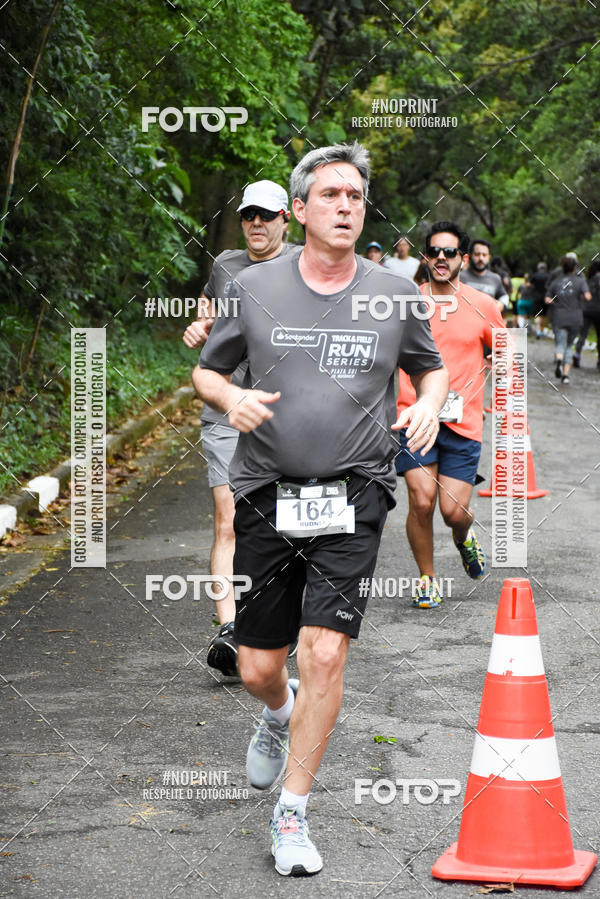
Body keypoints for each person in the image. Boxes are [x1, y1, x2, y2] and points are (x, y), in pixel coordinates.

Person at [192, 142, 448, 876]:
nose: (345, 205)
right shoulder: (255, 287)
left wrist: (428, 407)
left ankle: (293, 813)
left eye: (356, 196)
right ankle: (279, 713)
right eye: (331, 195)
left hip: (355, 491)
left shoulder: (395, 292)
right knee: (257, 666)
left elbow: (427, 370)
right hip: (268, 493)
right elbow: (206, 370)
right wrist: (231, 394)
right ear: (300, 210)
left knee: (327, 649)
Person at [182, 179, 296, 678]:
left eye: (266, 216)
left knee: (281, 521)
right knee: (228, 517)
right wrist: (199, 325)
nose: (256, 223)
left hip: (284, 411)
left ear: (285, 220)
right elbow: (208, 308)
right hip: (227, 407)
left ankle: (278, 620)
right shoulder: (226, 264)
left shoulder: (302, 266)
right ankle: (230, 629)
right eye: (249, 214)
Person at [395, 221, 506, 608]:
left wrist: (498, 365)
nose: (440, 258)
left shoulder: (484, 305)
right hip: (415, 418)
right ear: (425, 257)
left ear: (462, 258)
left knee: (452, 512)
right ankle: (427, 578)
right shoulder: (406, 302)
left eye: (449, 252)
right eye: (434, 251)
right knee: (421, 502)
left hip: (463, 423)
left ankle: (465, 537)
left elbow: (506, 354)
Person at [545, 255, 591, 384]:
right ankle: (565, 375)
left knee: (560, 343)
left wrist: (556, 302)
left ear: (562, 268)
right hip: (576, 317)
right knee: (569, 345)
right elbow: (588, 296)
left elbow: (547, 299)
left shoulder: (556, 282)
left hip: (559, 316)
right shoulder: (580, 281)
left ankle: (559, 360)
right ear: (575, 267)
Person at [460, 238, 510, 313]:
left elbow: (504, 296)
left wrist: (501, 304)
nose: (481, 258)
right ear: (470, 256)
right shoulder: (459, 277)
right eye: (477, 254)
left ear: (489, 257)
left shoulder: (495, 278)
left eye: (484, 255)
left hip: (488, 323)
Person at [574, 260, 600, 369]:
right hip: (598, 311)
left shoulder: (587, 280)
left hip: (586, 309)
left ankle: (577, 354)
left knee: (583, 334)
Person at [528, 262, 550, 337]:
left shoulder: (535, 275)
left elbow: (528, 285)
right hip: (546, 297)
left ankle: (538, 331)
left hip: (536, 297)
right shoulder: (548, 276)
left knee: (537, 314)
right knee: (544, 315)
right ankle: (542, 330)